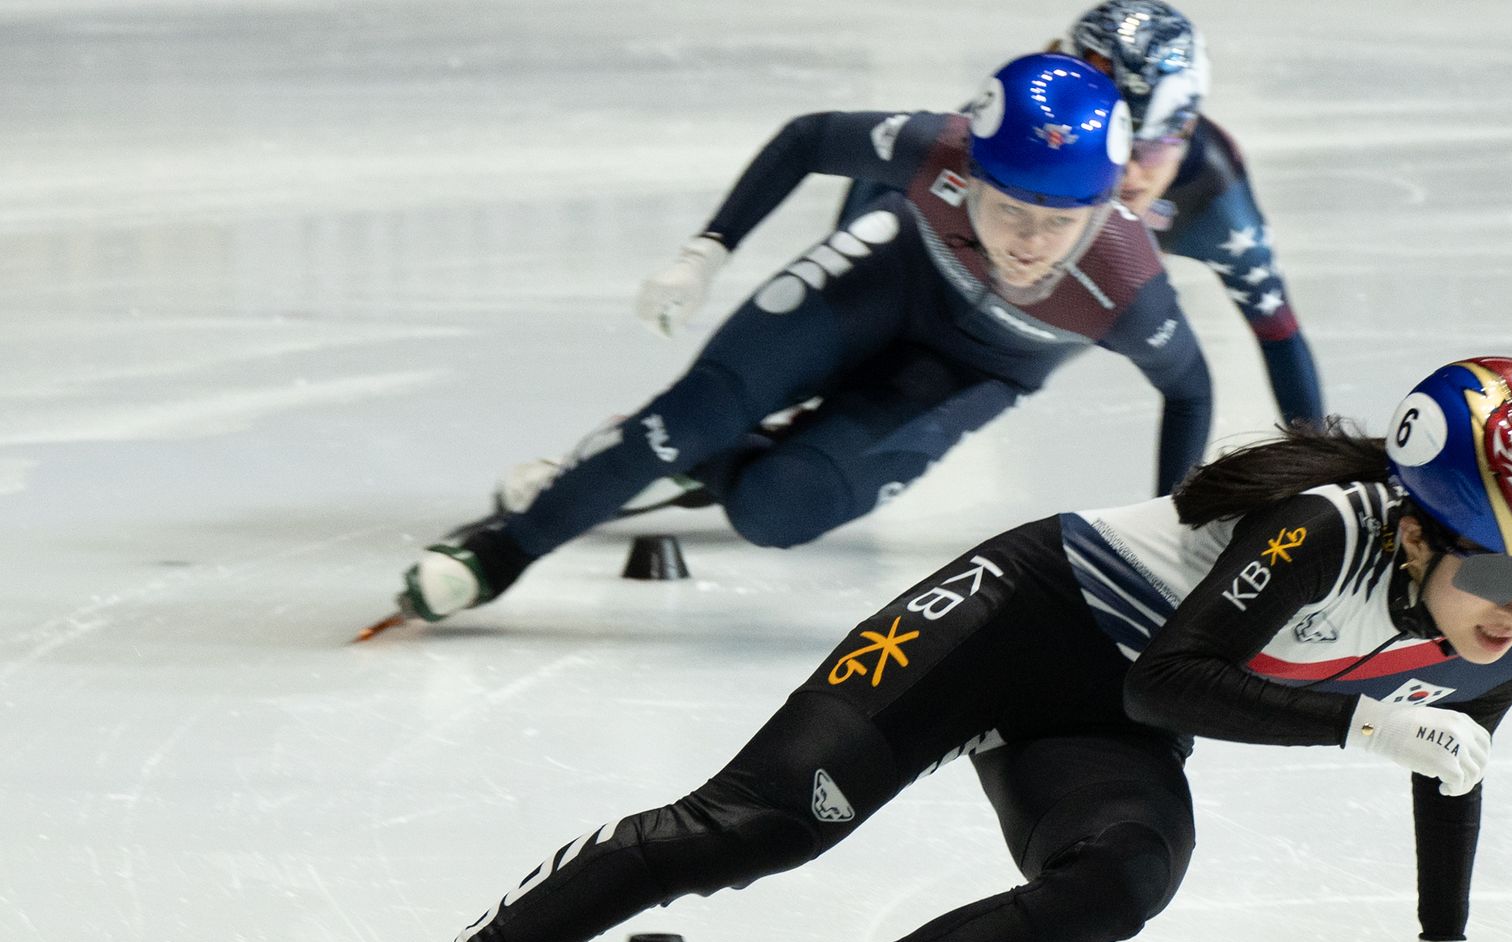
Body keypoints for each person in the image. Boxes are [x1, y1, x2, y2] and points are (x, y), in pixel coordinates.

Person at [293, 356, 1512, 942]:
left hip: (1089, 714)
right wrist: (1364, 720)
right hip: (1015, 619)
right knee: (766, 824)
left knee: (1120, 882)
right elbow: (1173, 682)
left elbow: (1454, 770)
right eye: (1508, 572)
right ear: (1422, 523)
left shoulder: (1501, 647)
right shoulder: (1323, 528)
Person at [390, 52, 1213, 628]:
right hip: (887, 279)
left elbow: (1190, 389)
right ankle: (501, 553)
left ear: (1103, 208)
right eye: (1007, 210)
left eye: (1060, 222)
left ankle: (680, 459)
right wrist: (704, 251)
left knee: (775, 509)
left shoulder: (1126, 285)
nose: (1030, 243)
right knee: (694, 411)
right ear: (974, 171)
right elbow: (810, 137)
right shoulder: (941, 151)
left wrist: (1169, 540)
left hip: (972, 369)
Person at [836, 1, 1323, 431]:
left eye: (1150, 147)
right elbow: (885, 171)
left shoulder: (1213, 194)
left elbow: (1278, 334)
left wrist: (1324, 473)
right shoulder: (1015, 127)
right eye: (1113, 144)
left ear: (1189, 129)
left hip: (1052, 305)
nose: (1127, 171)